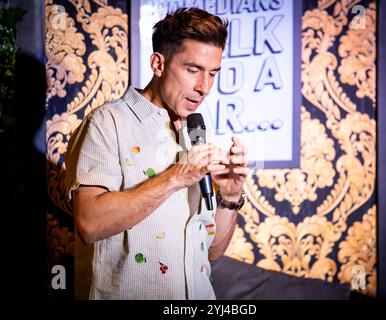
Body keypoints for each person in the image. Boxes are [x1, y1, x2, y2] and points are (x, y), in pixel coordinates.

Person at [65, 7, 249, 300]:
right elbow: (89, 223)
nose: (204, 87)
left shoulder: (198, 131)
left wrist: (229, 195)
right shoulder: (107, 122)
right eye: (192, 70)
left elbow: (212, 253)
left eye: (213, 73)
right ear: (158, 63)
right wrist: (175, 177)